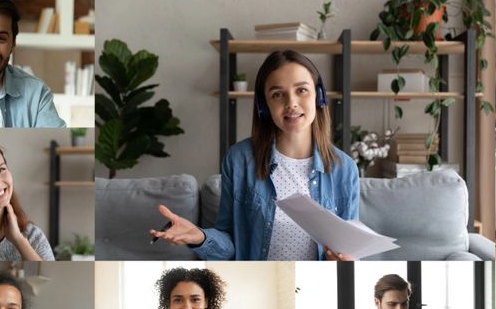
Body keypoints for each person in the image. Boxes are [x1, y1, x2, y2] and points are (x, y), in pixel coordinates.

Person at [149, 50, 359, 260]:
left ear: (319, 96)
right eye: (277, 94)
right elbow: (230, 244)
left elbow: (351, 248)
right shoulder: (239, 160)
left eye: (302, 90)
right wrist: (200, 237)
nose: (291, 103)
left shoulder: (345, 169)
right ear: (263, 106)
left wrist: (345, 261)